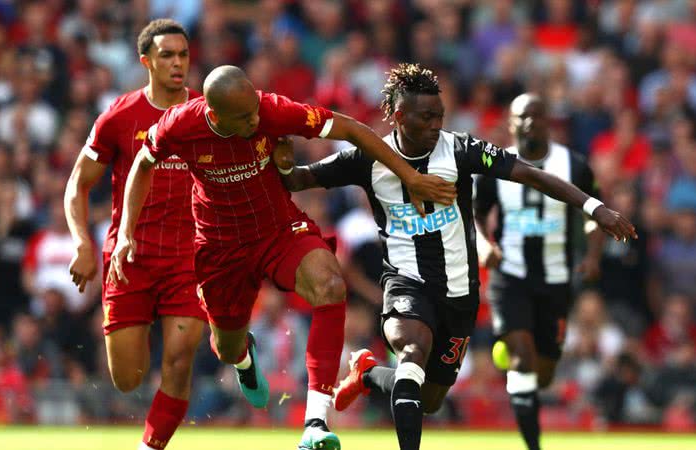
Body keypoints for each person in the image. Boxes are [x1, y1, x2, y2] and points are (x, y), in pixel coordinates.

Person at [272, 63, 636, 450]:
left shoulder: (461, 149)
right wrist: (278, 156)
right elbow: (300, 179)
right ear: (399, 116)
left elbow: (531, 175)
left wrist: (595, 208)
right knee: (412, 352)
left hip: (460, 293)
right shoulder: (368, 157)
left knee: (429, 399)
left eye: (439, 116)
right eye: (426, 116)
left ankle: (366, 374)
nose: (435, 124)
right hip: (406, 281)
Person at [109, 65, 455, 450]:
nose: (257, 120)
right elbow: (142, 163)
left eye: (256, 109)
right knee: (226, 346)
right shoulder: (179, 124)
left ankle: (315, 423)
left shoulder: (272, 110)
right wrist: (126, 232)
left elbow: (352, 129)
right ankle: (244, 359)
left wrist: (410, 176)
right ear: (214, 114)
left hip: (277, 229)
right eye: (245, 117)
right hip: (220, 247)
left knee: (330, 284)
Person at [63, 19, 205, 450]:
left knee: (180, 361)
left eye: (183, 54)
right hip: (130, 257)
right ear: (146, 61)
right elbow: (76, 184)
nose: (178, 63)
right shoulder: (120, 116)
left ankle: (150, 445)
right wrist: (82, 243)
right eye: (167, 55)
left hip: (188, 258)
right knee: (129, 379)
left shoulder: (209, 112)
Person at [473, 93, 606, 450]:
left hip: (557, 279)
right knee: (522, 358)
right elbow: (475, 213)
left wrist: (592, 254)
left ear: (550, 121)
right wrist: (485, 245)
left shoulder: (574, 165)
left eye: (538, 115)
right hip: (510, 275)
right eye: (522, 116)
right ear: (511, 123)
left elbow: (594, 216)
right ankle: (533, 446)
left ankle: (525, 380)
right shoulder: (494, 166)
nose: (531, 123)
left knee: (543, 371)